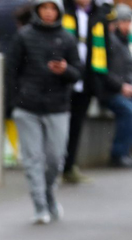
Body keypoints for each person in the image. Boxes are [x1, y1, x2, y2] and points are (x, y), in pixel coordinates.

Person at [7, 0, 83, 224]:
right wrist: (14, 102)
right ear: (37, 10)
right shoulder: (23, 36)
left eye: (53, 8)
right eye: (44, 8)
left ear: (58, 11)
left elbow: (78, 72)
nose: (48, 13)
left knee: (55, 158)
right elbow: (11, 71)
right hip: (27, 107)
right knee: (32, 159)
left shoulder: (67, 38)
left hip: (58, 106)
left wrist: (65, 70)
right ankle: (40, 205)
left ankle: (49, 193)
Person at [61, 0, 114, 183]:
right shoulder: (63, 11)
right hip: (64, 79)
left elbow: (106, 48)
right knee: (59, 124)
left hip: (88, 79)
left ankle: (69, 166)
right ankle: (56, 165)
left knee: (76, 125)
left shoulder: (100, 16)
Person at [98, 10, 132, 168]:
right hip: (109, 91)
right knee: (128, 111)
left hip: (124, 89)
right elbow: (103, 71)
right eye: (125, 21)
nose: (128, 25)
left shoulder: (126, 42)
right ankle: (118, 154)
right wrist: (121, 87)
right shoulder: (110, 41)